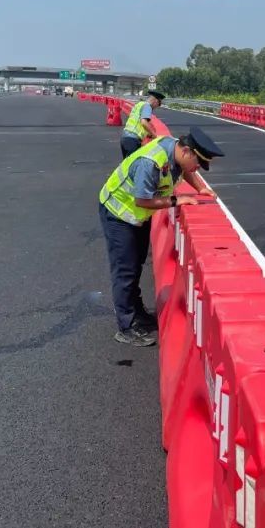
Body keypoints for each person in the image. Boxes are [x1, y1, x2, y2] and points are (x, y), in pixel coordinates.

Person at [98, 126, 224, 346]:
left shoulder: (174, 149)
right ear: (186, 152)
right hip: (118, 214)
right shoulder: (151, 162)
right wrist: (177, 200)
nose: (198, 169)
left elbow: (186, 171)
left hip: (137, 217)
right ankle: (126, 327)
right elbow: (142, 200)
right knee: (125, 271)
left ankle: (138, 314)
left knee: (136, 265)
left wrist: (199, 188)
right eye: (198, 163)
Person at [120, 91, 165, 158]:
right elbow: (144, 122)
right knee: (134, 164)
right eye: (159, 104)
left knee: (127, 164)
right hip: (133, 139)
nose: (157, 107)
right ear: (155, 101)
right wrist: (154, 135)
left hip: (125, 137)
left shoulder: (139, 104)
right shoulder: (147, 106)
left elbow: (137, 122)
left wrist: (148, 133)